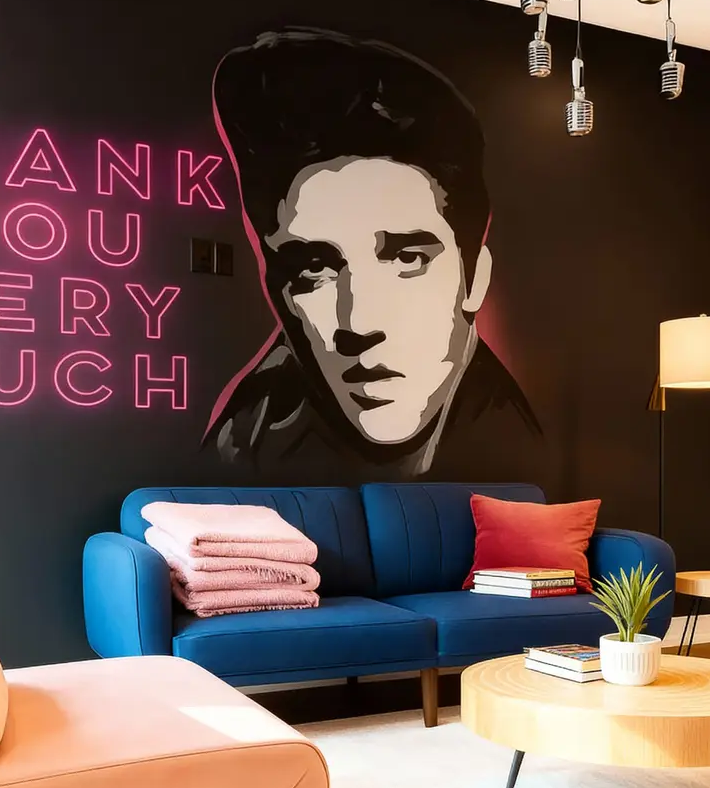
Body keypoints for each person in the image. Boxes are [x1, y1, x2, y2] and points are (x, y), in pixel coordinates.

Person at [204, 28, 540, 476]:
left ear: (475, 279)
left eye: (407, 259)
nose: (358, 324)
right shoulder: (243, 445)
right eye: (314, 268)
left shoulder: (525, 448)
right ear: (277, 290)